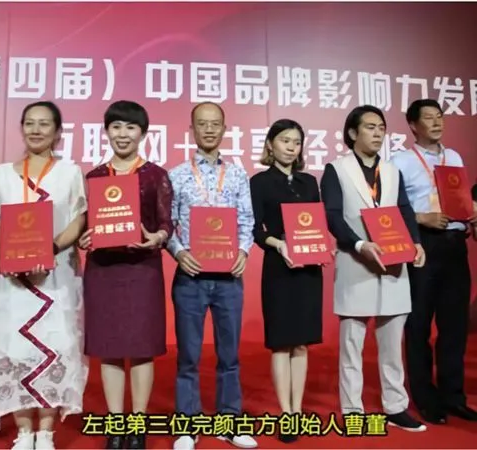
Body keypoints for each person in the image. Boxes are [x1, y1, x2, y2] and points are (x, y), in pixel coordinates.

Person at [0, 101, 89, 449]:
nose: (36, 130)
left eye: (44, 124)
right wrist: (2, 251)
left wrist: (52, 248)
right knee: (13, 348)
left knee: (57, 345)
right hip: (11, 278)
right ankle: (23, 431)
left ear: (58, 131)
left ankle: (46, 431)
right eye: (29, 123)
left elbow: (79, 218)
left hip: (56, 274)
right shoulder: (3, 174)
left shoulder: (70, 172)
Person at [320, 105, 427, 432]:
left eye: (381, 127)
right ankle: (353, 411)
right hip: (357, 263)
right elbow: (333, 216)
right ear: (353, 133)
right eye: (370, 127)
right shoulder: (336, 169)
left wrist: (416, 242)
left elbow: (404, 210)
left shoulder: (392, 171)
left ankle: (395, 407)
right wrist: (358, 244)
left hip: (393, 264)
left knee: (392, 344)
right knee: (352, 345)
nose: (378, 133)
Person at [77, 100, 174, 450]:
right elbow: (85, 225)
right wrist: (84, 238)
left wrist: (157, 237)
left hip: (142, 269)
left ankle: (138, 425)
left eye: (131, 127)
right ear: (106, 131)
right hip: (103, 271)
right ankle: (116, 425)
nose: (123, 134)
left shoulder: (155, 175)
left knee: (142, 349)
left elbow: (166, 223)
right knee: (110, 348)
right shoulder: (94, 177)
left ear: (142, 134)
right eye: (116, 126)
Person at [167, 102, 258, 450]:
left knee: (229, 355)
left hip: (228, 278)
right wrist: (179, 252)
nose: (209, 129)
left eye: (215, 124)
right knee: (188, 356)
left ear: (224, 129)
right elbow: (167, 224)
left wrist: (243, 252)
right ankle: (187, 427)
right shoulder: (176, 175)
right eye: (202, 124)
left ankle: (229, 423)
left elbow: (247, 220)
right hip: (190, 277)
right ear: (192, 129)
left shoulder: (236, 174)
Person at [390, 99, 477, 423]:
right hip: (423, 246)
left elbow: (459, 197)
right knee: (419, 324)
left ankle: (453, 396)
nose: (437, 122)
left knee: (454, 325)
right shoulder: (400, 161)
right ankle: (426, 398)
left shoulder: (453, 157)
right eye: (428, 118)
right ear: (413, 125)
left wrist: (470, 212)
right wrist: (421, 218)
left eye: (440, 116)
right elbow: (390, 208)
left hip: (455, 245)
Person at [249, 119, 323, 444]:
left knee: (302, 343)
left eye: (296, 142)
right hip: (279, 267)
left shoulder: (309, 182)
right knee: (281, 342)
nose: (291, 147)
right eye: (284, 140)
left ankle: (298, 409)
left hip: (308, 269)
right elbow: (256, 230)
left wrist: (319, 245)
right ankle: (286, 413)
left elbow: (316, 222)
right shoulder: (260, 182)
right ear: (270, 144)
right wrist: (279, 244)